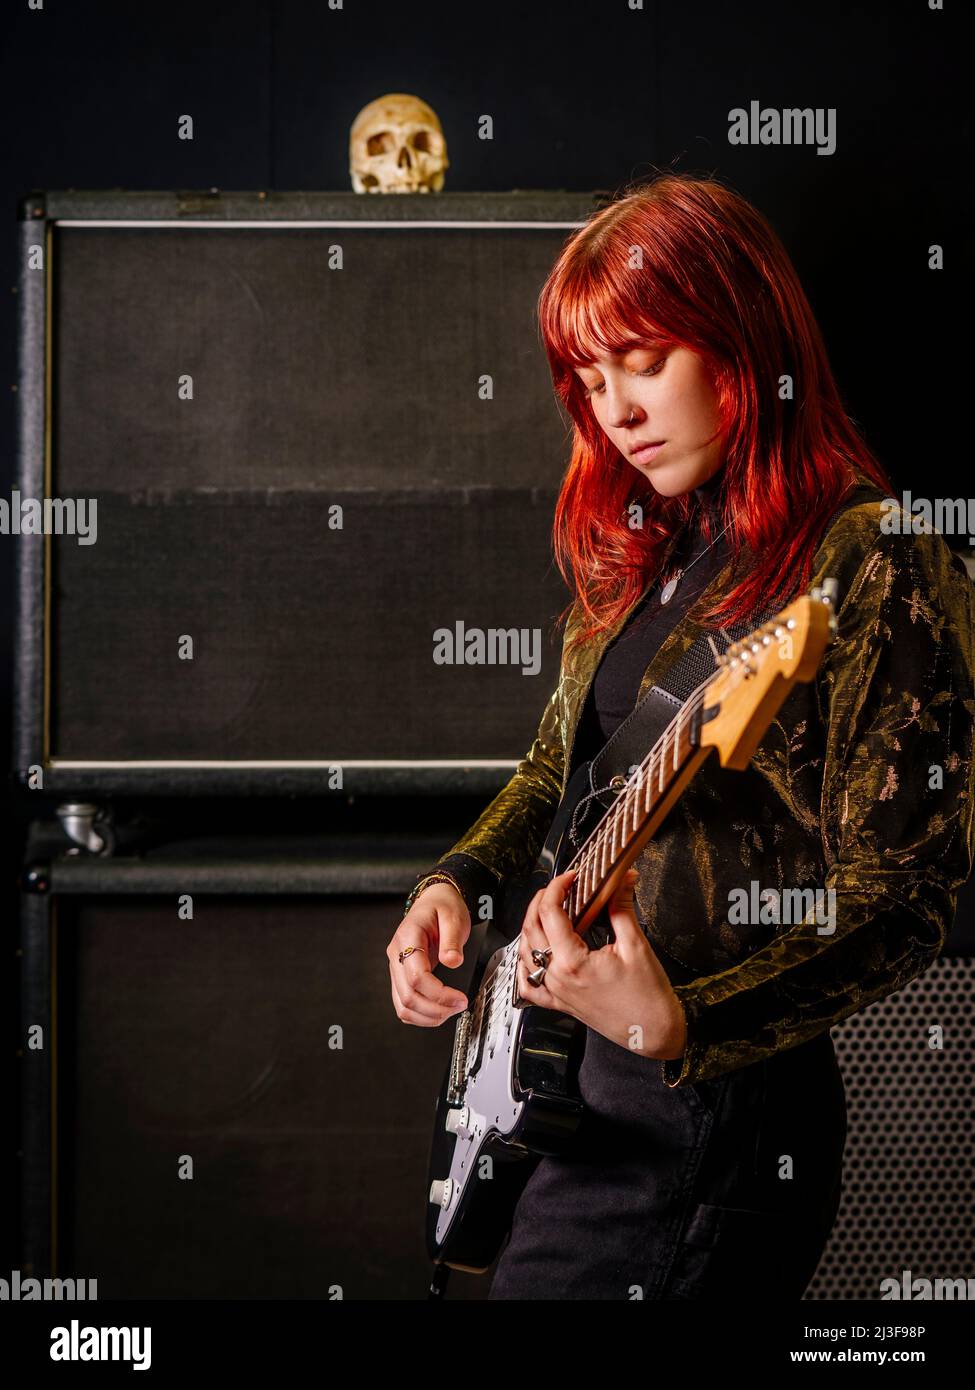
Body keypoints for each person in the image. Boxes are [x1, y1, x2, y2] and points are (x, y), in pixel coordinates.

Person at [385, 172, 975, 1300]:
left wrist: (686, 1020)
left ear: (743, 339)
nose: (615, 409)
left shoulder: (872, 560)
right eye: (591, 380)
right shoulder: (646, 552)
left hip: (712, 1118)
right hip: (572, 1092)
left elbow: (906, 892)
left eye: (645, 362)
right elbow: (557, 765)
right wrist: (458, 874)